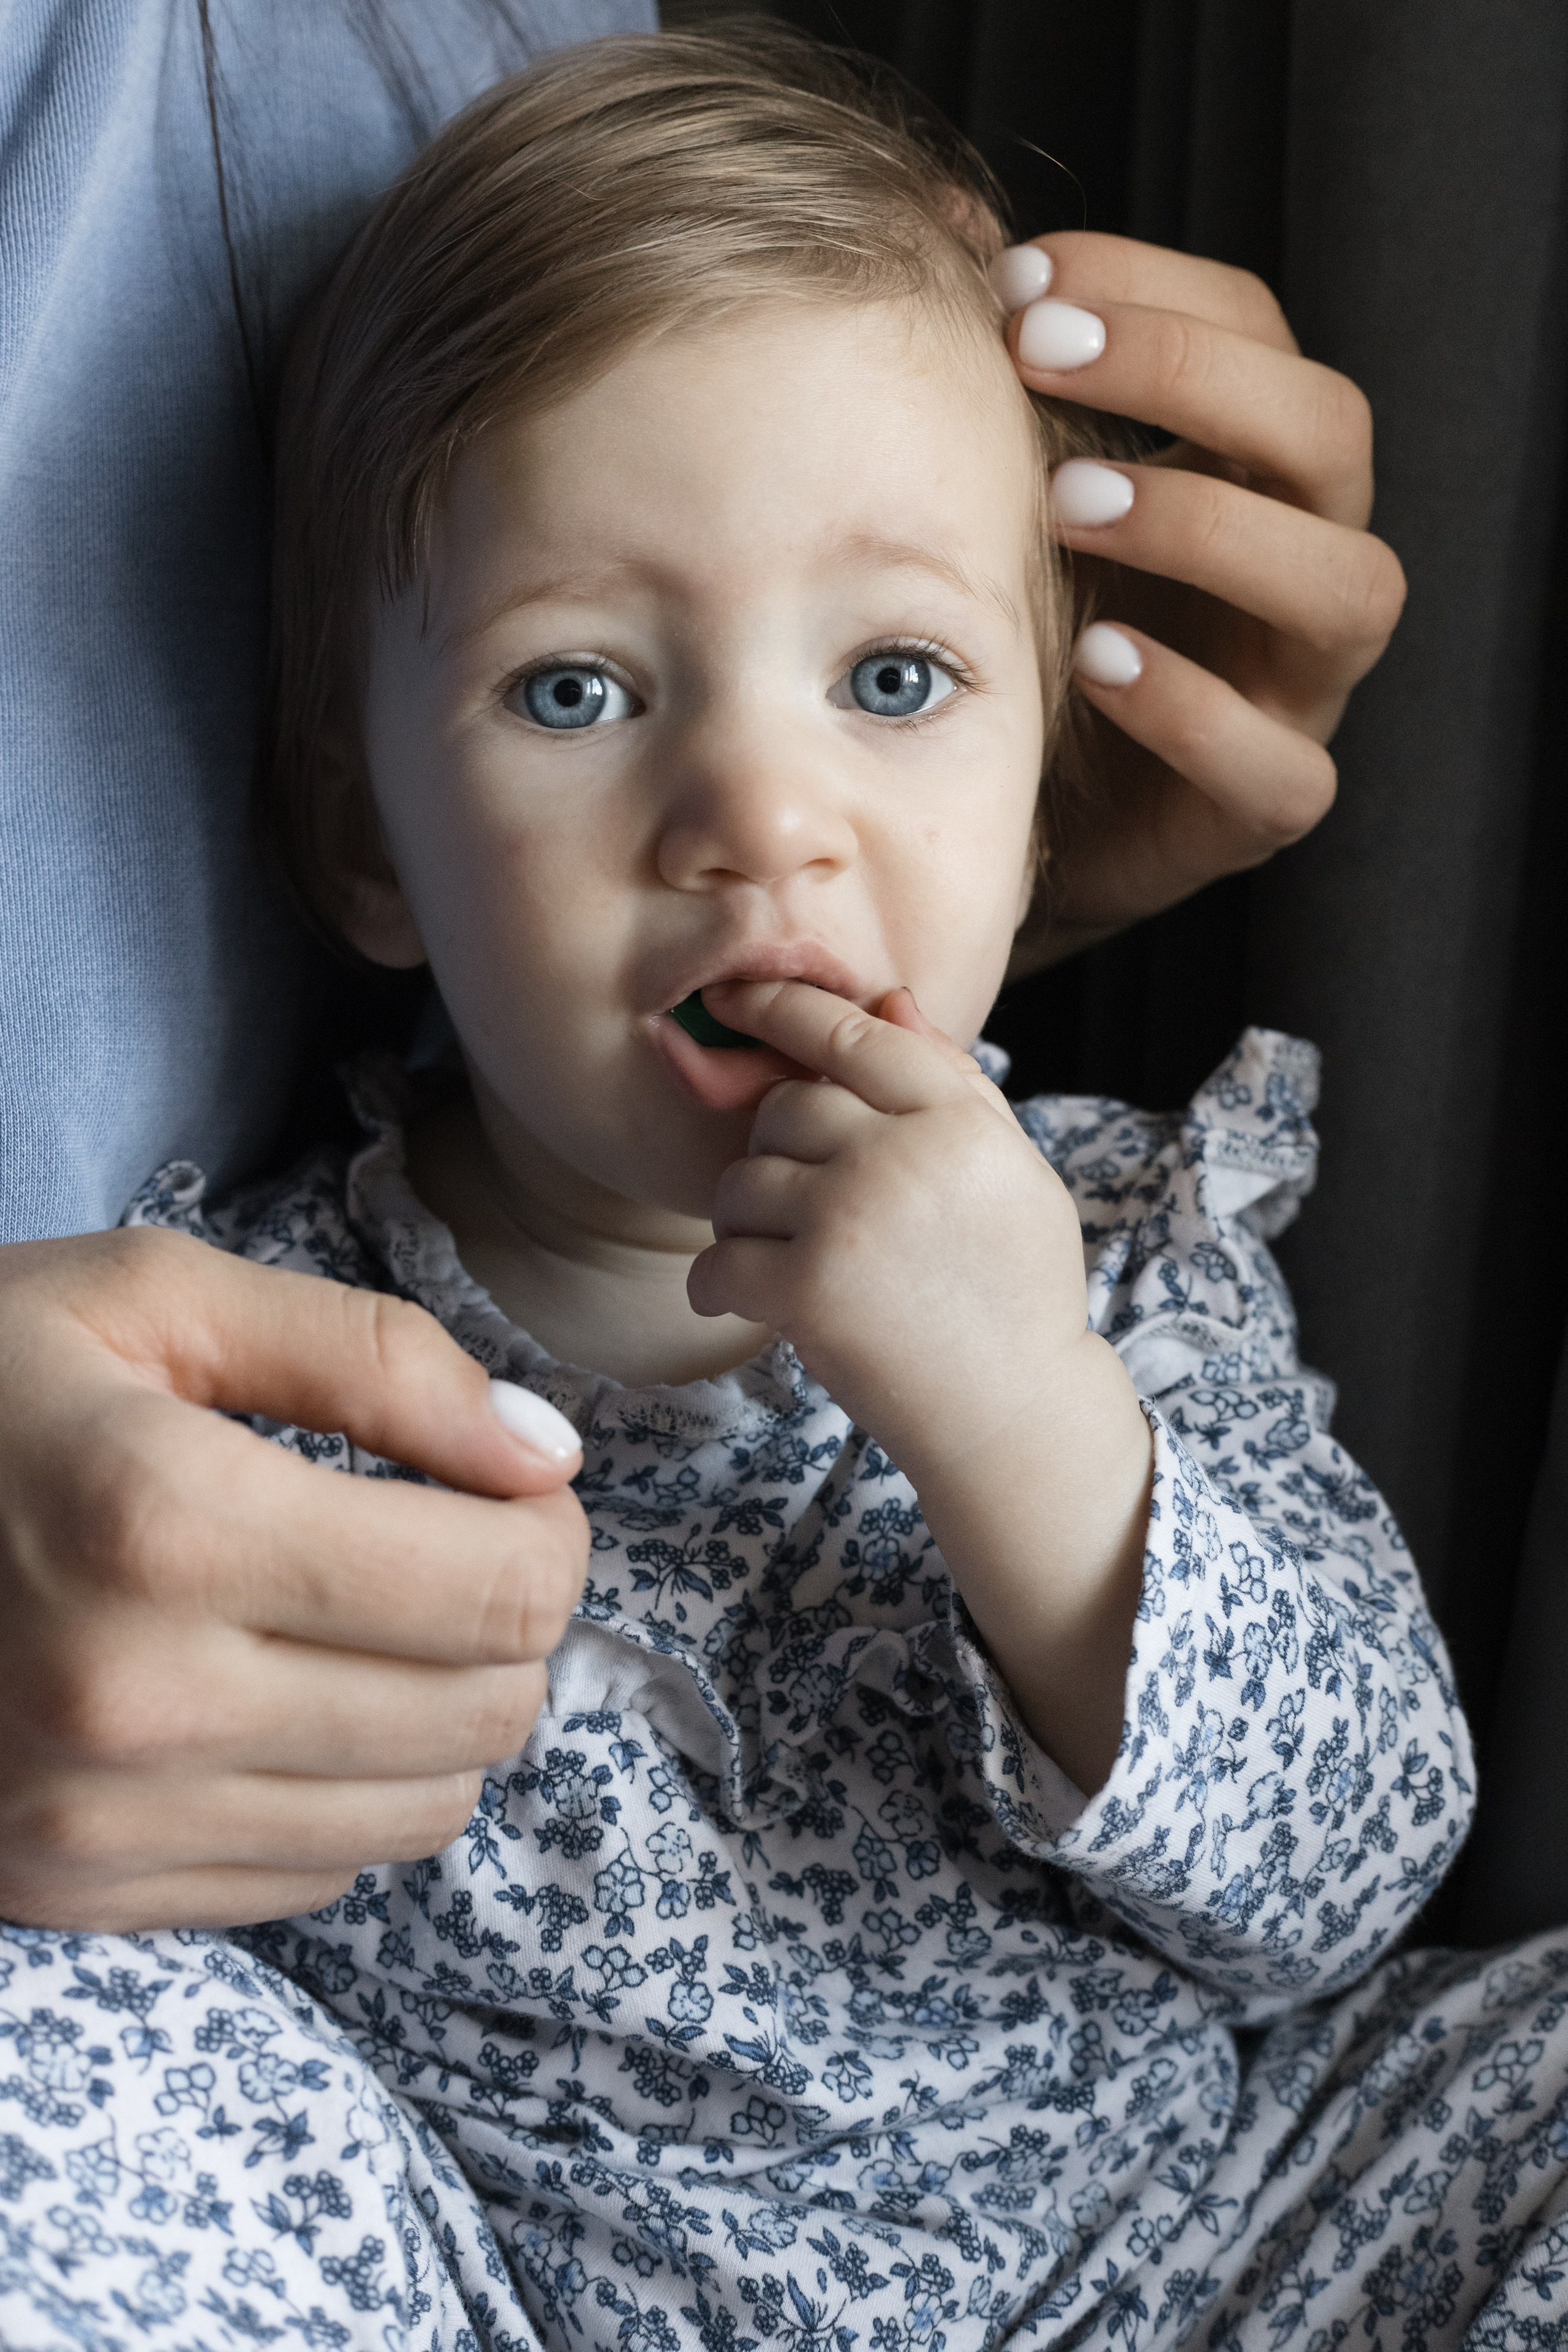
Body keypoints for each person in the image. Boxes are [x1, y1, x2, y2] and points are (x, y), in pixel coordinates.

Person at [6, 31, 1566, 2350]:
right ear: (366, 841)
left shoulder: (1123, 1261)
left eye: (899, 673)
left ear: (1053, 794)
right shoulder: (229, 1362)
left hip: (1190, 2265)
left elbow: (1346, 1880)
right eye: (575, 694)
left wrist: (1027, 1414)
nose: (760, 807)